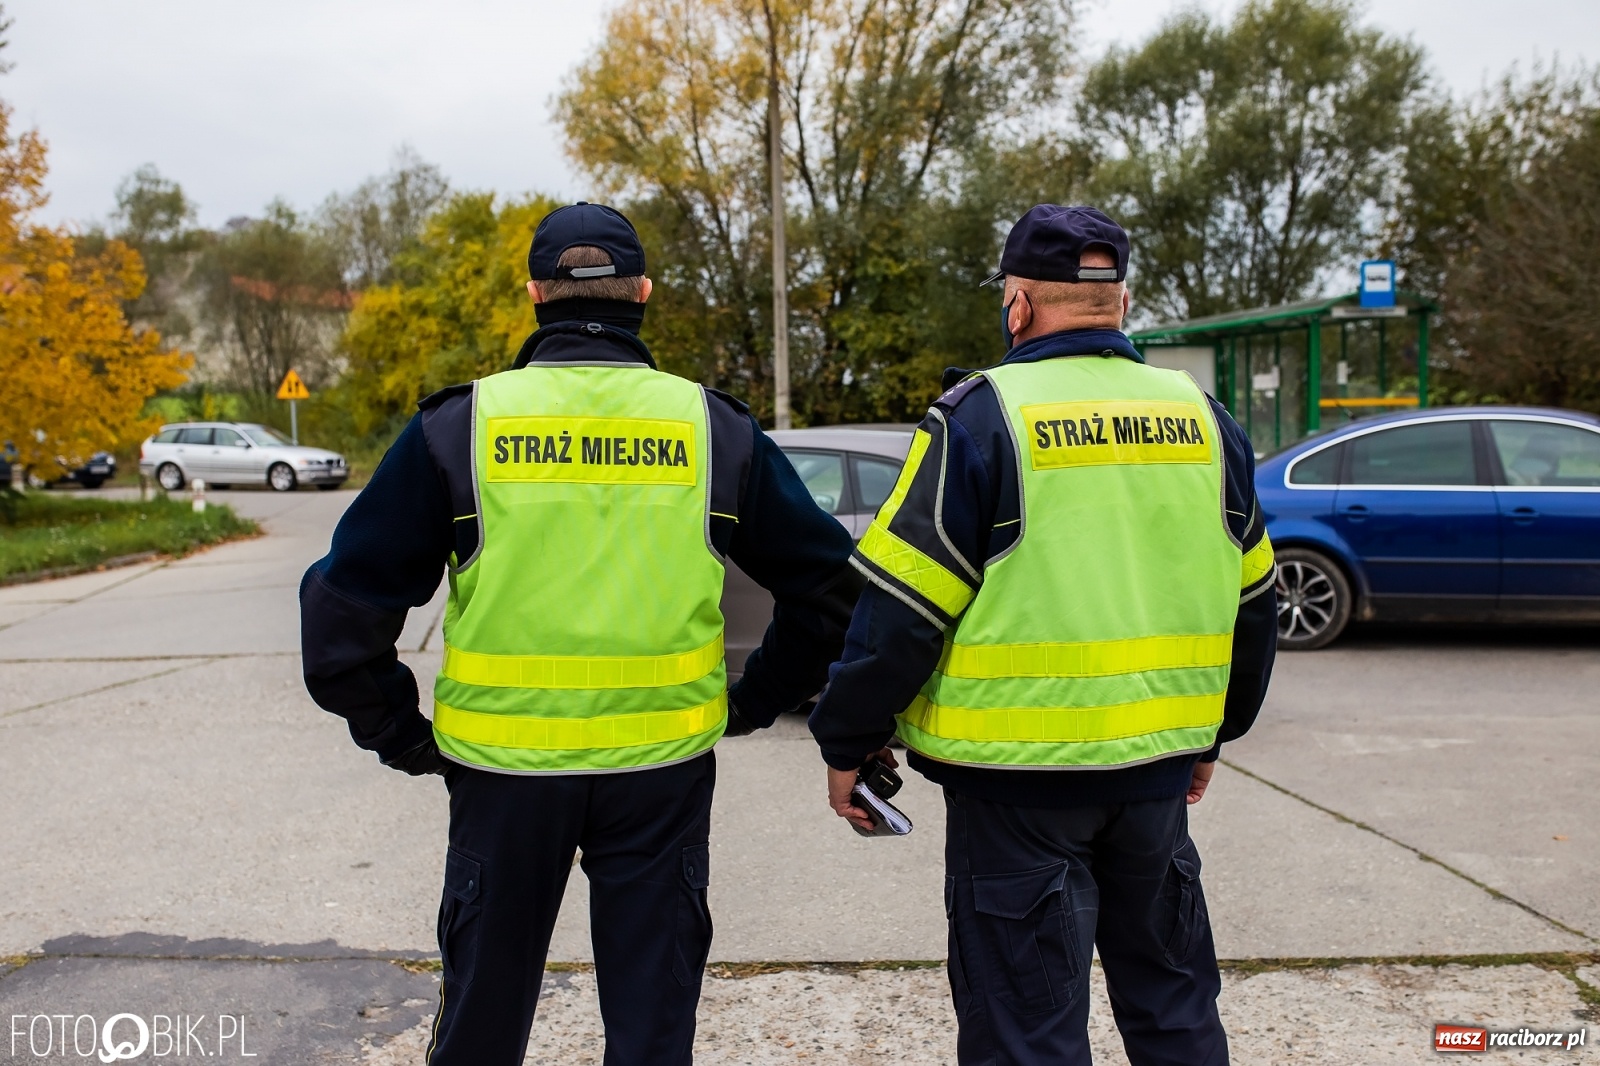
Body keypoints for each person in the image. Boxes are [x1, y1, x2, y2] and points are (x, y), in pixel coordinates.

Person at [299, 202, 860, 1065]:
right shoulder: (711, 429)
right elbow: (831, 592)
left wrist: (402, 735)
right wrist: (753, 702)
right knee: (651, 1029)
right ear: (643, 293)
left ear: (535, 296)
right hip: (661, 773)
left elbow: (341, 614)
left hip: (502, 777)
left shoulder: (462, 428)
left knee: (481, 1026)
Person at [809, 204, 1277, 1065]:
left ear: (1018, 305)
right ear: (1121, 302)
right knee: (1175, 1009)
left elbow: (903, 613)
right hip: (1156, 779)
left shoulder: (981, 418)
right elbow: (1255, 602)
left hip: (1014, 794)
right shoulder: (1206, 418)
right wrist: (1214, 734)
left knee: (1027, 1033)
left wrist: (847, 738)